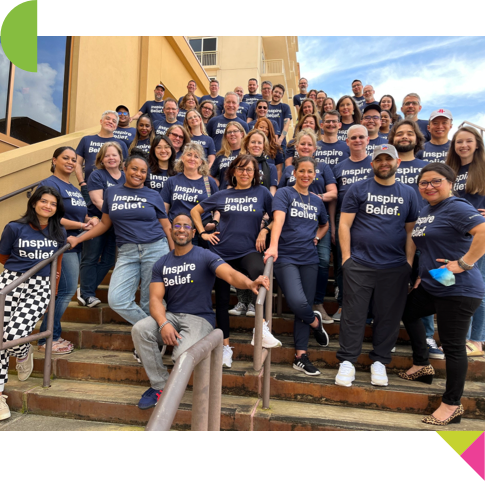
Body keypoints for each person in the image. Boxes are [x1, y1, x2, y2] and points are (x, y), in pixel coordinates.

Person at [131, 214, 270, 410]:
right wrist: (163, 323)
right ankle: (160, 385)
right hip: (171, 315)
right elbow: (154, 300)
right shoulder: (161, 263)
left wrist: (249, 282)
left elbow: (229, 274)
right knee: (140, 330)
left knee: (181, 355)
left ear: (193, 232)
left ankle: (172, 390)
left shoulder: (205, 255)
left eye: (186, 226)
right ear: (170, 231)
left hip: (199, 319)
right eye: (177, 226)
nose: (181, 229)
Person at [398, 163, 485, 426]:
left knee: (453, 347)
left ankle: (452, 404)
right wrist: (423, 274)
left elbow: (482, 232)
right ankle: (422, 363)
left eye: (435, 181)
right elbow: (431, 244)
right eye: (423, 183)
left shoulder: (457, 207)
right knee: (408, 312)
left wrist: (465, 263)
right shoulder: (428, 210)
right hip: (437, 282)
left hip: (460, 288)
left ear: (449, 182)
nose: (429, 187)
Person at [336, 144, 419, 388]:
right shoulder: (358, 188)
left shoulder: (409, 193)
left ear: (397, 163)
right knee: (353, 315)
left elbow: (411, 230)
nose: (384, 163)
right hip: (359, 263)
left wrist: (409, 263)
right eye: (379, 159)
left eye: (389, 159)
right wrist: (346, 258)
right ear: (372, 164)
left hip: (394, 265)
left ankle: (380, 361)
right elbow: (344, 225)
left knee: (389, 316)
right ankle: (348, 361)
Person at [68, 155, 174, 338]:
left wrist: (175, 255)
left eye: (143, 171)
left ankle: (149, 343)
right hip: (127, 252)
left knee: (151, 300)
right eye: (134, 169)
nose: (138, 174)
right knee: (117, 300)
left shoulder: (153, 195)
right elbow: (104, 224)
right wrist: (79, 239)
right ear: (125, 168)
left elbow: (166, 226)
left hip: (155, 248)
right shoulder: (111, 193)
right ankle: (156, 334)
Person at [192, 154, 282, 368]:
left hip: (248, 250)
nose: (244, 173)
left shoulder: (262, 193)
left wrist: (265, 230)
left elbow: (276, 217)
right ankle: (225, 347)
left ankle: (260, 328)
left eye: (249, 170)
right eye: (240, 169)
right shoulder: (223, 194)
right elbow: (195, 211)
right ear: (232, 172)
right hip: (221, 253)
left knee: (261, 274)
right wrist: (203, 233)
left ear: (255, 174)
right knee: (222, 301)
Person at [0, 187, 67, 420]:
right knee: (0, 337)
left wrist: (52, 293)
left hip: (39, 287)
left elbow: (56, 267)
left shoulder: (59, 232)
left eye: (53, 204)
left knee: (12, 335)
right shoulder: (14, 227)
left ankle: (23, 349)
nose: (48, 206)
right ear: (35, 203)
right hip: (10, 283)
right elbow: (4, 257)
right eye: (44, 201)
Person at [264, 157, 330, 376]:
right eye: (302, 171)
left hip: (309, 258)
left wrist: (318, 238)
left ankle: (300, 356)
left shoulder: (317, 200)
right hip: (286, 257)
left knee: (305, 303)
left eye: (310, 171)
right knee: (297, 301)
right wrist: (273, 246)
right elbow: (279, 220)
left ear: (315, 174)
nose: (306, 175)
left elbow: (325, 223)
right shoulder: (285, 193)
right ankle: (315, 322)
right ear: (295, 173)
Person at [38, 148, 99, 354]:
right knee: (65, 291)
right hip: (60, 244)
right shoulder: (49, 184)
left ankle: (51, 336)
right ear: (54, 160)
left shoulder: (72, 187)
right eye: (66, 158)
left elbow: (77, 214)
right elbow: (50, 215)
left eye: (74, 160)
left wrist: (87, 220)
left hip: (75, 244)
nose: (71, 162)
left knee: (62, 292)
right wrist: (81, 226)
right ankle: (47, 340)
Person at [388, 119, 437, 357]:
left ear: (417, 138)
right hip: (393, 236)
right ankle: (390, 333)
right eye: (399, 134)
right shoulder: (387, 166)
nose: (404, 137)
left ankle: (427, 336)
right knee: (393, 288)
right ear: (392, 139)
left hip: (425, 237)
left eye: (409, 133)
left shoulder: (427, 166)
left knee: (425, 287)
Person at [279, 130, 338, 323]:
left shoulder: (323, 167)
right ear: (296, 147)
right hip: (294, 222)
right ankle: (304, 306)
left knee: (321, 259)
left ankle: (317, 302)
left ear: (314, 148)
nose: (305, 147)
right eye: (302, 144)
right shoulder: (289, 169)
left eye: (309, 144)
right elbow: (281, 193)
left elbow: (333, 193)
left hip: (317, 220)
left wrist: (314, 199)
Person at [447, 127, 485, 358]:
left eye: (468, 141)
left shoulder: (483, 168)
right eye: (459, 141)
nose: (463, 145)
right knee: (460, 288)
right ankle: (461, 338)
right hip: (456, 236)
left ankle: (476, 340)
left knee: (478, 288)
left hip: (478, 236)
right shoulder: (452, 169)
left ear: (477, 143)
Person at [331, 125, 373, 320]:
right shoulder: (338, 167)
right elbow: (333, 200)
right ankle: (343, 306)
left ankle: (369, 310)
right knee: (343, 264)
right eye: (353, 137)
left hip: (370, 220)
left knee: (370, 264)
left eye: (361, 137)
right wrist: (332, 225)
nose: (357, 140)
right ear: (346, 141)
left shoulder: (375, 164)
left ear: (368, 140)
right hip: (344, 221)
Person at [78, 142, 125, 309]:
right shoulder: (97, 175)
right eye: (107, 155)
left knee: (108, 260)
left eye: (114, 155)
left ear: (120, 158)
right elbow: (98, 201)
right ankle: (87, 293)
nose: (111, 158)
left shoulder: (126, 176)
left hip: (117, 225)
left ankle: (85, 288)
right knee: (91, 257)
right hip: (97, 221)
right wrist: (121, 214)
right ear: (101, 159)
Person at [162, 143, 219, 247]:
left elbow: (218, 208)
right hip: (178, 233)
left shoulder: (209, 182)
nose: (192, 158)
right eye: (189, 155)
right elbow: (163, 211)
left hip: (202, 234)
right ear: (182, 158)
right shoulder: (172, 181)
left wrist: (214, 222)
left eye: (196, 156)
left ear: (201, 162)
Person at [75, 111, 129, 201]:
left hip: (114, 188)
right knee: (90, 214)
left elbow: (125, 167)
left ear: (116, 126)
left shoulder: (121, 144)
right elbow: (77, 163)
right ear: (101, 121)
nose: (110, 121)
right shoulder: (86, 140)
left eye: (114, 121)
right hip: (89, 187)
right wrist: (82, 183)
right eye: (107, 119)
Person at [241, 130, 278, 196]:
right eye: (253, 142)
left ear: (263, 146)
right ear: (247, 145)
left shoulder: (271, 168)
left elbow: (272, 192)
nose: (256, 145)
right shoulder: (239, 165)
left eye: (259, 143)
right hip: (243, 201)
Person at [210, 122, 244, 190]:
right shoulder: (220, 155)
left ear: (241, 134)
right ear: (226, 136)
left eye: (235, 131)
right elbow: (209, 175)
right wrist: (217, 184)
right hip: (224, 195)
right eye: (229, 132)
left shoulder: (248, 154)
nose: (232, 134)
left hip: (243, 195)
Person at [267, 84, 292, 152]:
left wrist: (280, 140)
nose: (277, 94)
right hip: (265, 142)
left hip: (280, 143)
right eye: (276, 92)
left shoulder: (285, 107)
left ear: (282, 96)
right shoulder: (265, 105)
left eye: (280, 93)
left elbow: (286, 125)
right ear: (272, 92)